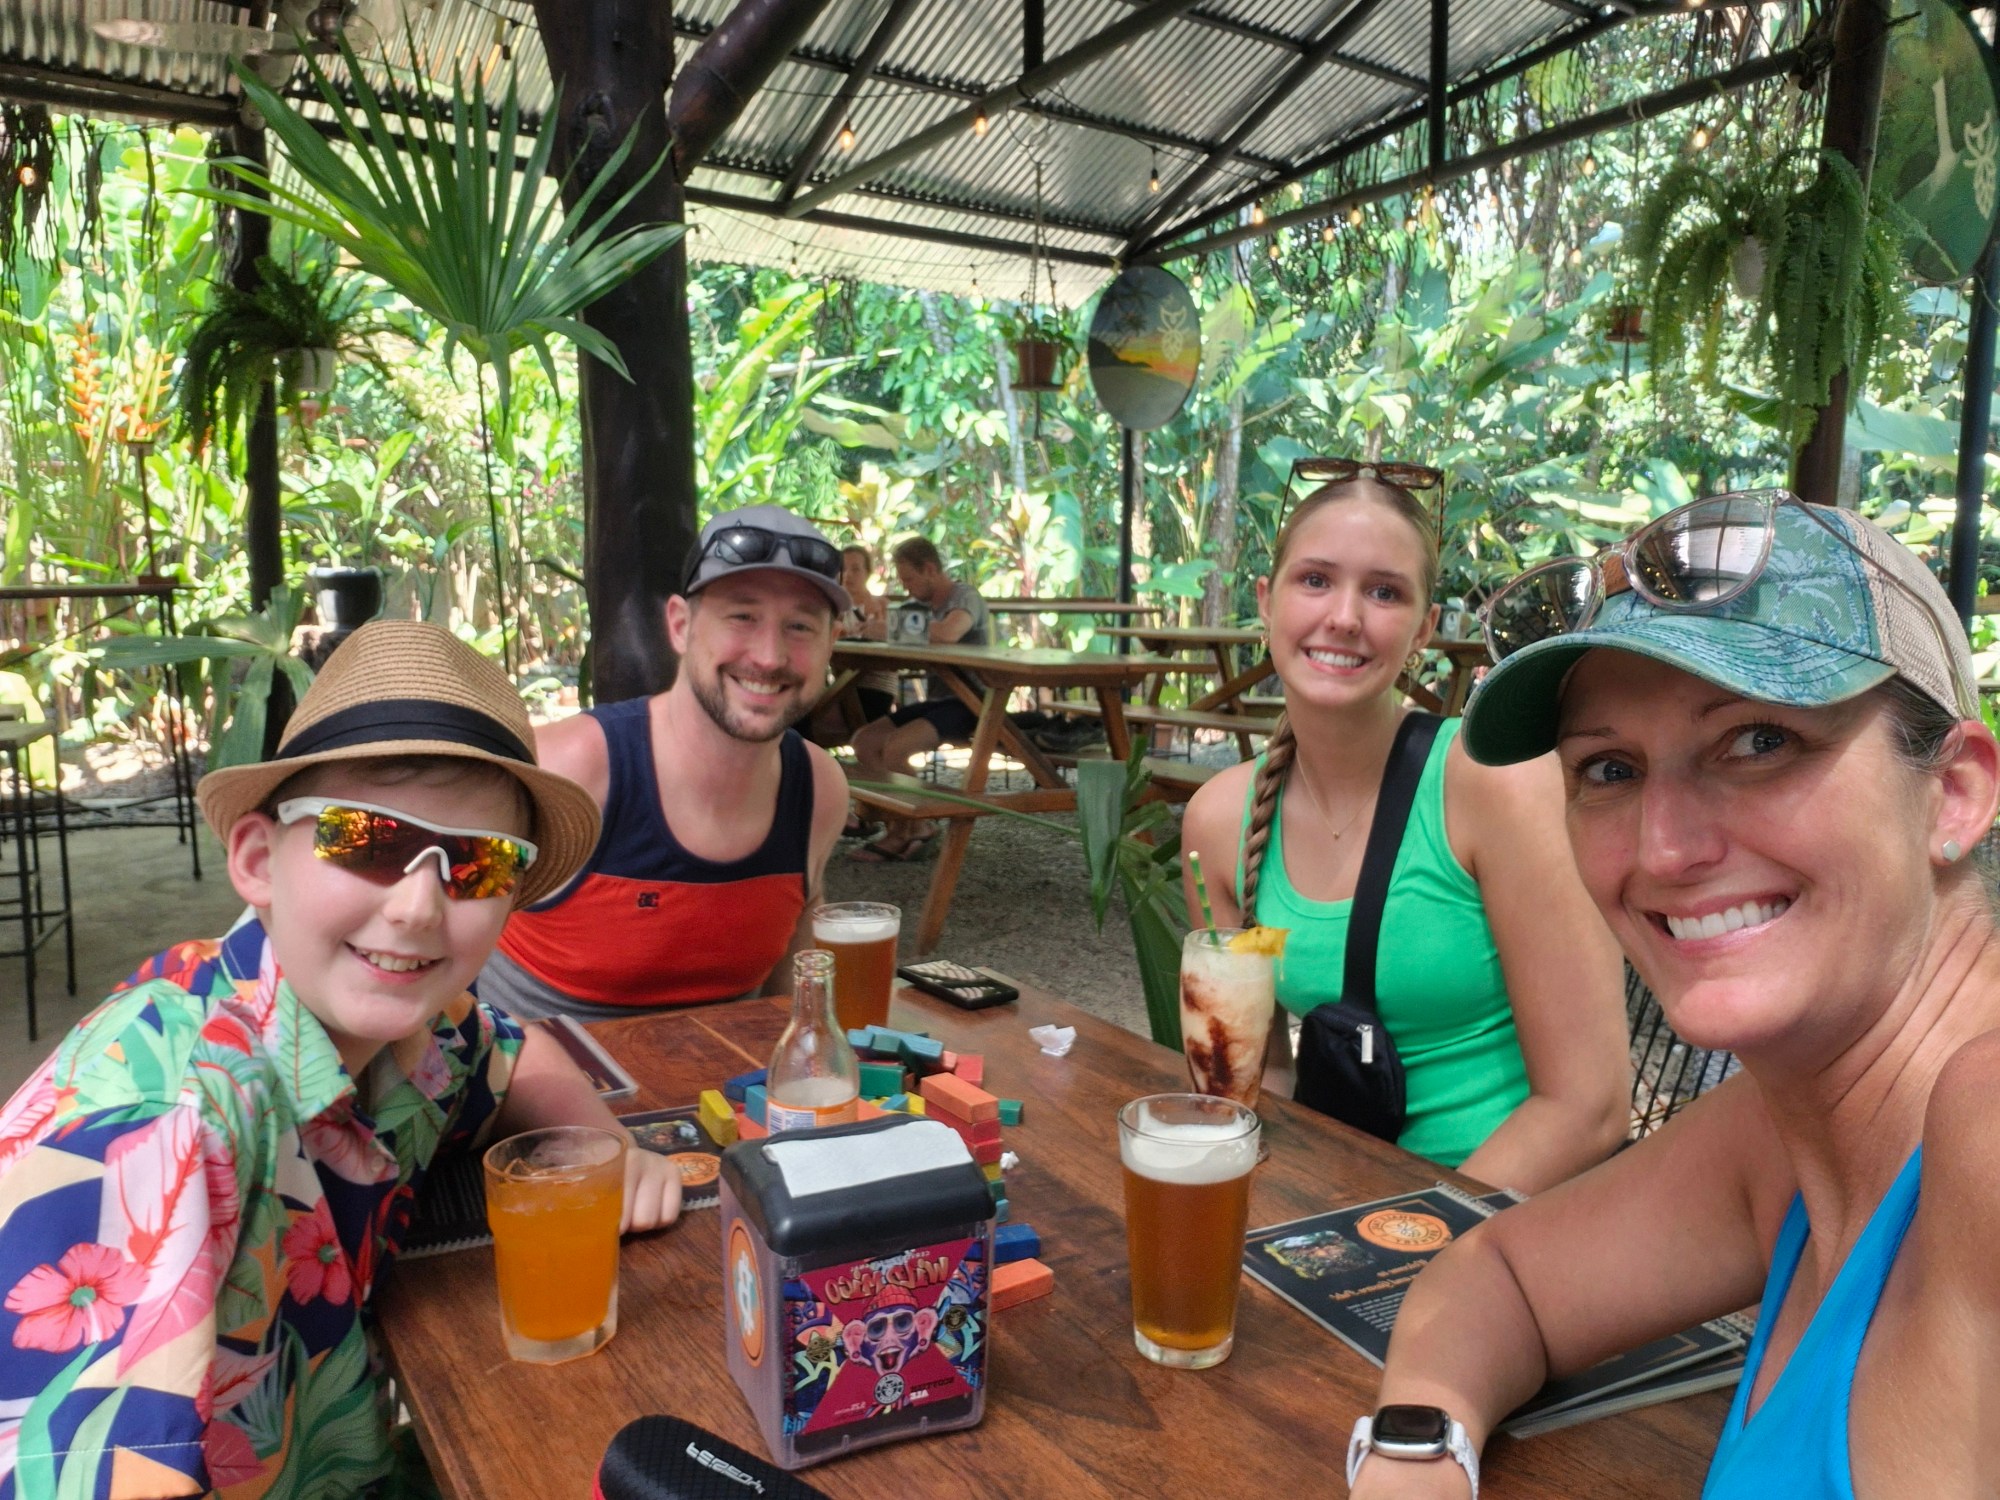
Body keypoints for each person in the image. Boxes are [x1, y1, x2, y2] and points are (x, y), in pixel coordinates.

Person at [1343, 493, 1999, 1498]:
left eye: (1759, 742)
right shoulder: (1791, 1125)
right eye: (1608, 768)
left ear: (1952, 793)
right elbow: (1496, 1278)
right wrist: (1416, 1454)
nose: (1662, 849)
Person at [0, 620, 682, 1499]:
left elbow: (518, 1055)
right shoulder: (168, 1119)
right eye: (366, 840)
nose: (418, 906)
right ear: (259, 860)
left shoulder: (418, 1036)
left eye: (477, 863)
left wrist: (608, 1149)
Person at [1179, 469, 1628, 1190]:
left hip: (1506, 1210)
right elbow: (1257, 1080)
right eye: (1315, 580)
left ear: (1423, 628)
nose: (1345, 617)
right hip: (1340, 1199)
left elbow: (1590, 1107)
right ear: (1266, 601)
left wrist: (1401, 1238)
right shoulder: (1220, 821)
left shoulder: (1496, 784)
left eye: (1384, 592)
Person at [480, 504, 852, 1016]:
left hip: (721, 1067)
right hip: (524, 1060)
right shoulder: (569, 768)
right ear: (680, 625)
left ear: (832, 643)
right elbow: (425, 933)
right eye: (742, 616)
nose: (769, 656)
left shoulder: (819, 789)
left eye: (801, 626)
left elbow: (791, 998)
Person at [848, 536, 991, 863]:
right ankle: (903, 827)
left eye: (909, 579)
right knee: (865, 741)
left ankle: (915, 828)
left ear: (929, 569)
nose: (906, 587)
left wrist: (888, 628)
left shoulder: (964, 596)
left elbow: (949, 632)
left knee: (896, 748)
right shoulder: (921, 607)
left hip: (973, 702)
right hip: (941, 700)